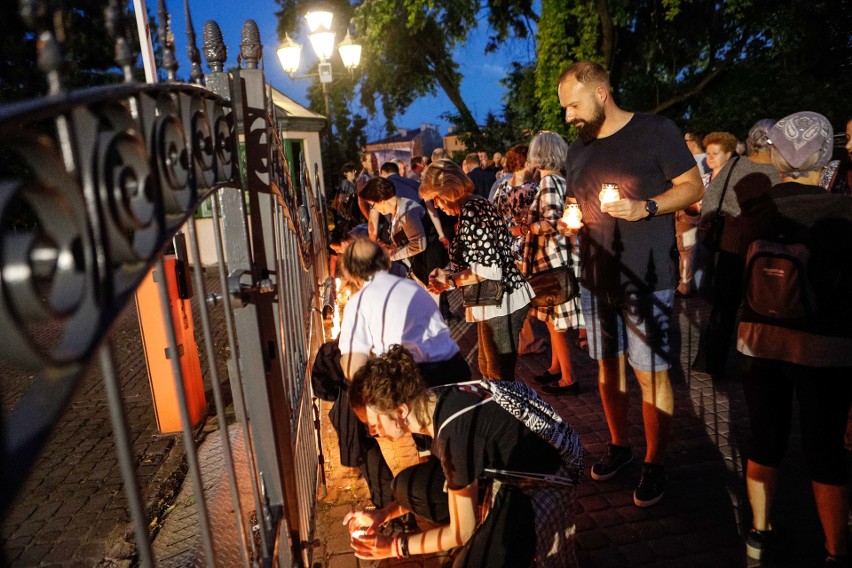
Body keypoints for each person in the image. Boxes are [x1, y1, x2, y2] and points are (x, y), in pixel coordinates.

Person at [557, 61, 703, 506]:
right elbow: (572, 200)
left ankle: (655, 462)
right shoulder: (576, 149)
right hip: (596, 276)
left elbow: (694, 187)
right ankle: (620, 447)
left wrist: (648, 207)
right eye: (565, 109)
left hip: (647, 277)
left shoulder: (656, 131)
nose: (568, 117)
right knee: (607, 369)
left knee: (650, 373)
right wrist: (571, 217)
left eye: (574, 105)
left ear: (601, 92)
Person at [735, 112, 851, 565]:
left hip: (758, 340)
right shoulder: (843, 214)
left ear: (777, 157)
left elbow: (728, 280)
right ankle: (835, 548)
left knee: (765, 438)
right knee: (825, 449)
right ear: (825, 158)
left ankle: (760, 534)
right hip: (826, 348)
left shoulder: (754, 212)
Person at [345, 345, 581, 567]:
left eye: (374, 423)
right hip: (503, 472)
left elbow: (461, 531)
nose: (372, 432)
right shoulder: (431, 400)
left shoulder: (453, 432)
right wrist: (383, 514)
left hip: (538, 487)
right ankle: (486, 525)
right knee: (406, 487)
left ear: (400, 410)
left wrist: (395, 547)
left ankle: (507, 543)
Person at [336, 238, 471, 510]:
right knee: (457, 446)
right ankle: (463, 499)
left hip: (420, 380)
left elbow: (354, 368)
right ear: (385, 261)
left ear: (350, 273)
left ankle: (422, 508)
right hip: (455, 365)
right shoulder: (411, 286)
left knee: (430, 456)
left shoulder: (359, 302)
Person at [421, 159, 534, 381]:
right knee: (489, 369)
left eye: (435, 198)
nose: (436, 205)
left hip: (500, 300)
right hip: (494, 299)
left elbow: (489, 269)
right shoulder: (475, 206)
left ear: (448, 190)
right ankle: (505, 412)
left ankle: (511, 414)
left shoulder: (472, 211)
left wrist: (450, 280)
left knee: (498, 374)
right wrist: (448, 275)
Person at [692, 121, 780, 378]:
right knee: (760, 309)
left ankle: (711, 361)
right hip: (763, 250)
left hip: (729, 247)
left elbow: (709, 206)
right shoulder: (777, 173)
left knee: (724, 308)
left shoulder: (733, 165)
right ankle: (756, 363)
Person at [521, 132, 582, 395]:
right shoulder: (559, 181)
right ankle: (557, 368)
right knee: (550, 319)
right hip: (556, 259)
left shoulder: (548, 184)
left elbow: (553, 222)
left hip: (550, 261)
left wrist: (526, 228)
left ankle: (568, 377)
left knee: (554, 320)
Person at [359, 176, 447, 292]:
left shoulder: (407, 211)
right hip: (422, 268)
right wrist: (391, 248)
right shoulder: (397, 211)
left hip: (430, 269)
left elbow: (418, 245)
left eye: (373, 205)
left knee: (436, 307)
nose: (374, 209)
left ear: (381, 200)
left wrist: (390, 255)